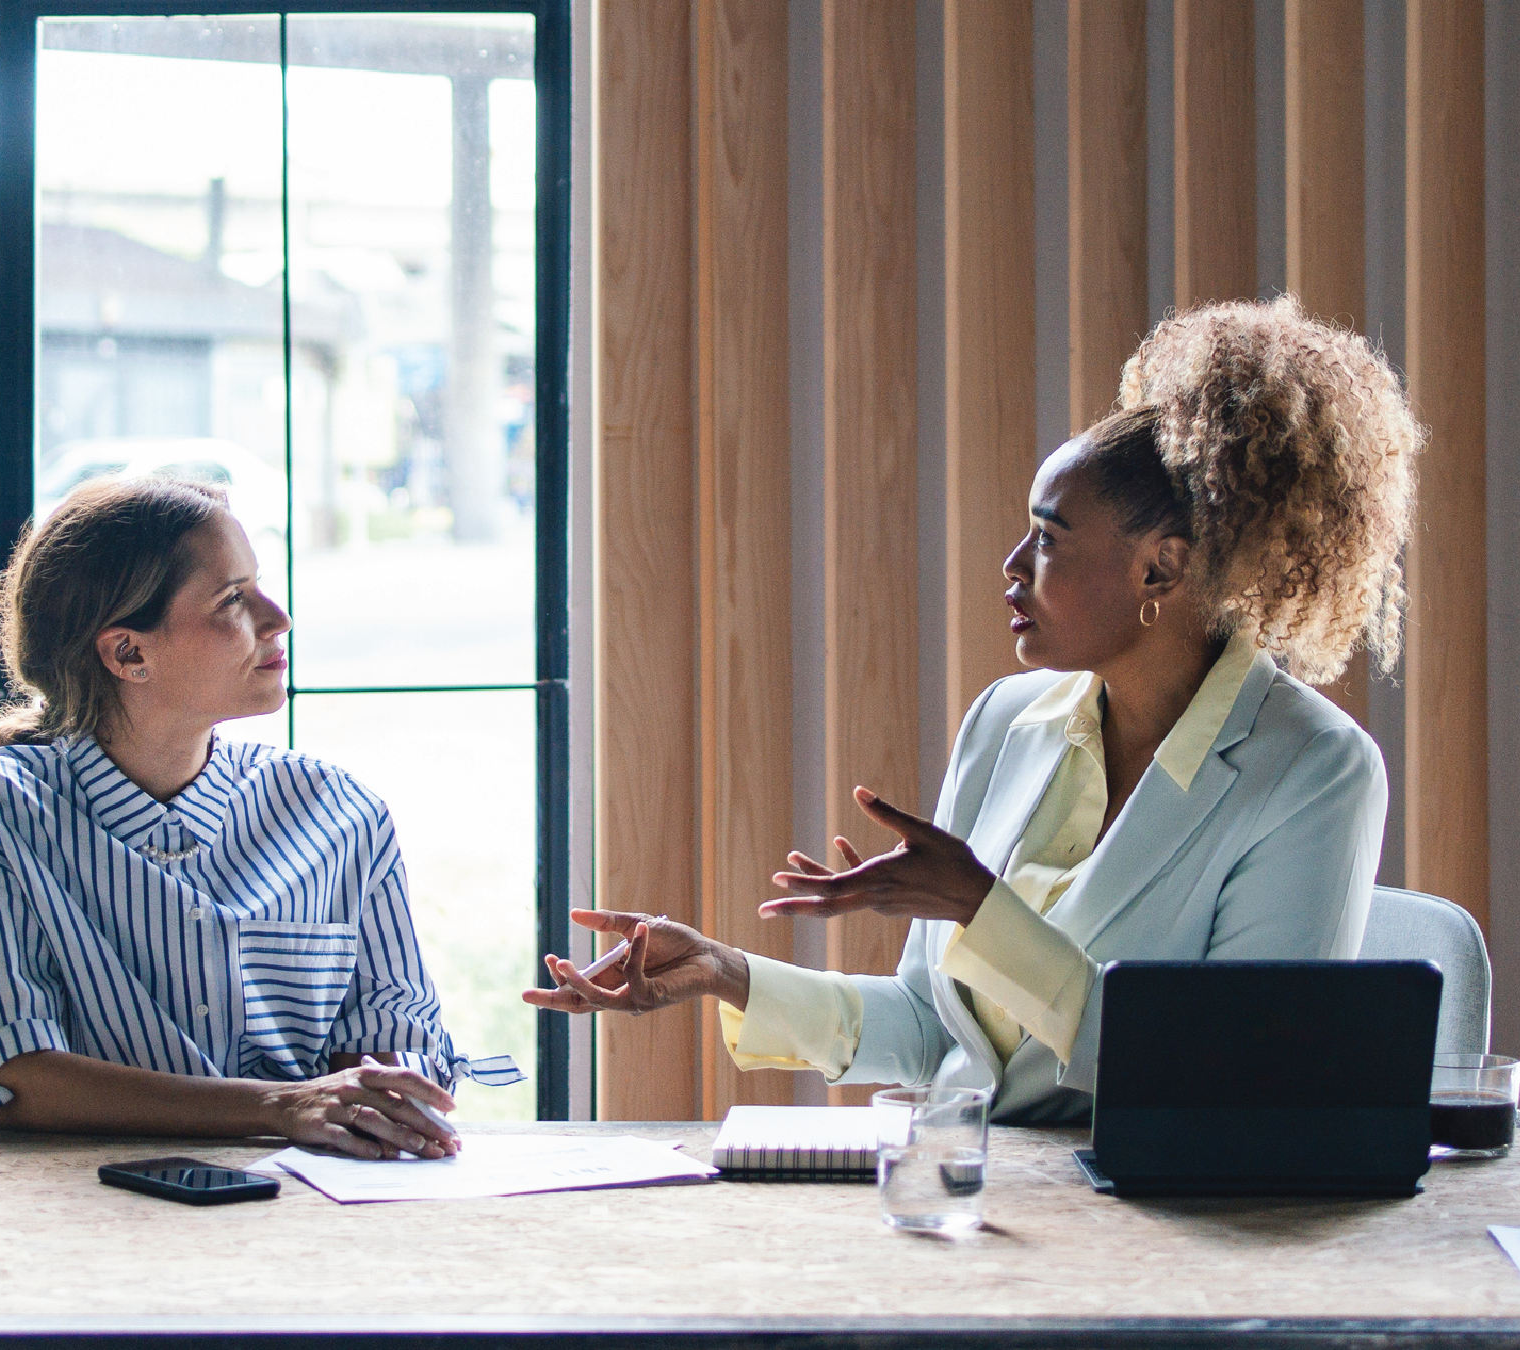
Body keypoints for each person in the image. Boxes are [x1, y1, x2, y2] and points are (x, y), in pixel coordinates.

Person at [525, 297, 1418, 1122]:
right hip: (965, 1191)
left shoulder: (1311, 770)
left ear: (1161, 568)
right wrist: (723, 973)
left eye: (1050, 538)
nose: (1012, 563)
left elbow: (1234, 1083)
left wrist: (984, 911)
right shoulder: (1006, 721)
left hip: (1156, 1230)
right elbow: (927, 1032)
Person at [0, 476, 517, 1155]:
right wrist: (282, 1105)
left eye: (257, 585)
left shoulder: (340, 812)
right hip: (68, 1222)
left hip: (310, 1211)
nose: (277, 616)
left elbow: (397, 1043)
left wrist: (378, 1096)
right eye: (233, 598)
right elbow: (10, 1079)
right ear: (128, 653)